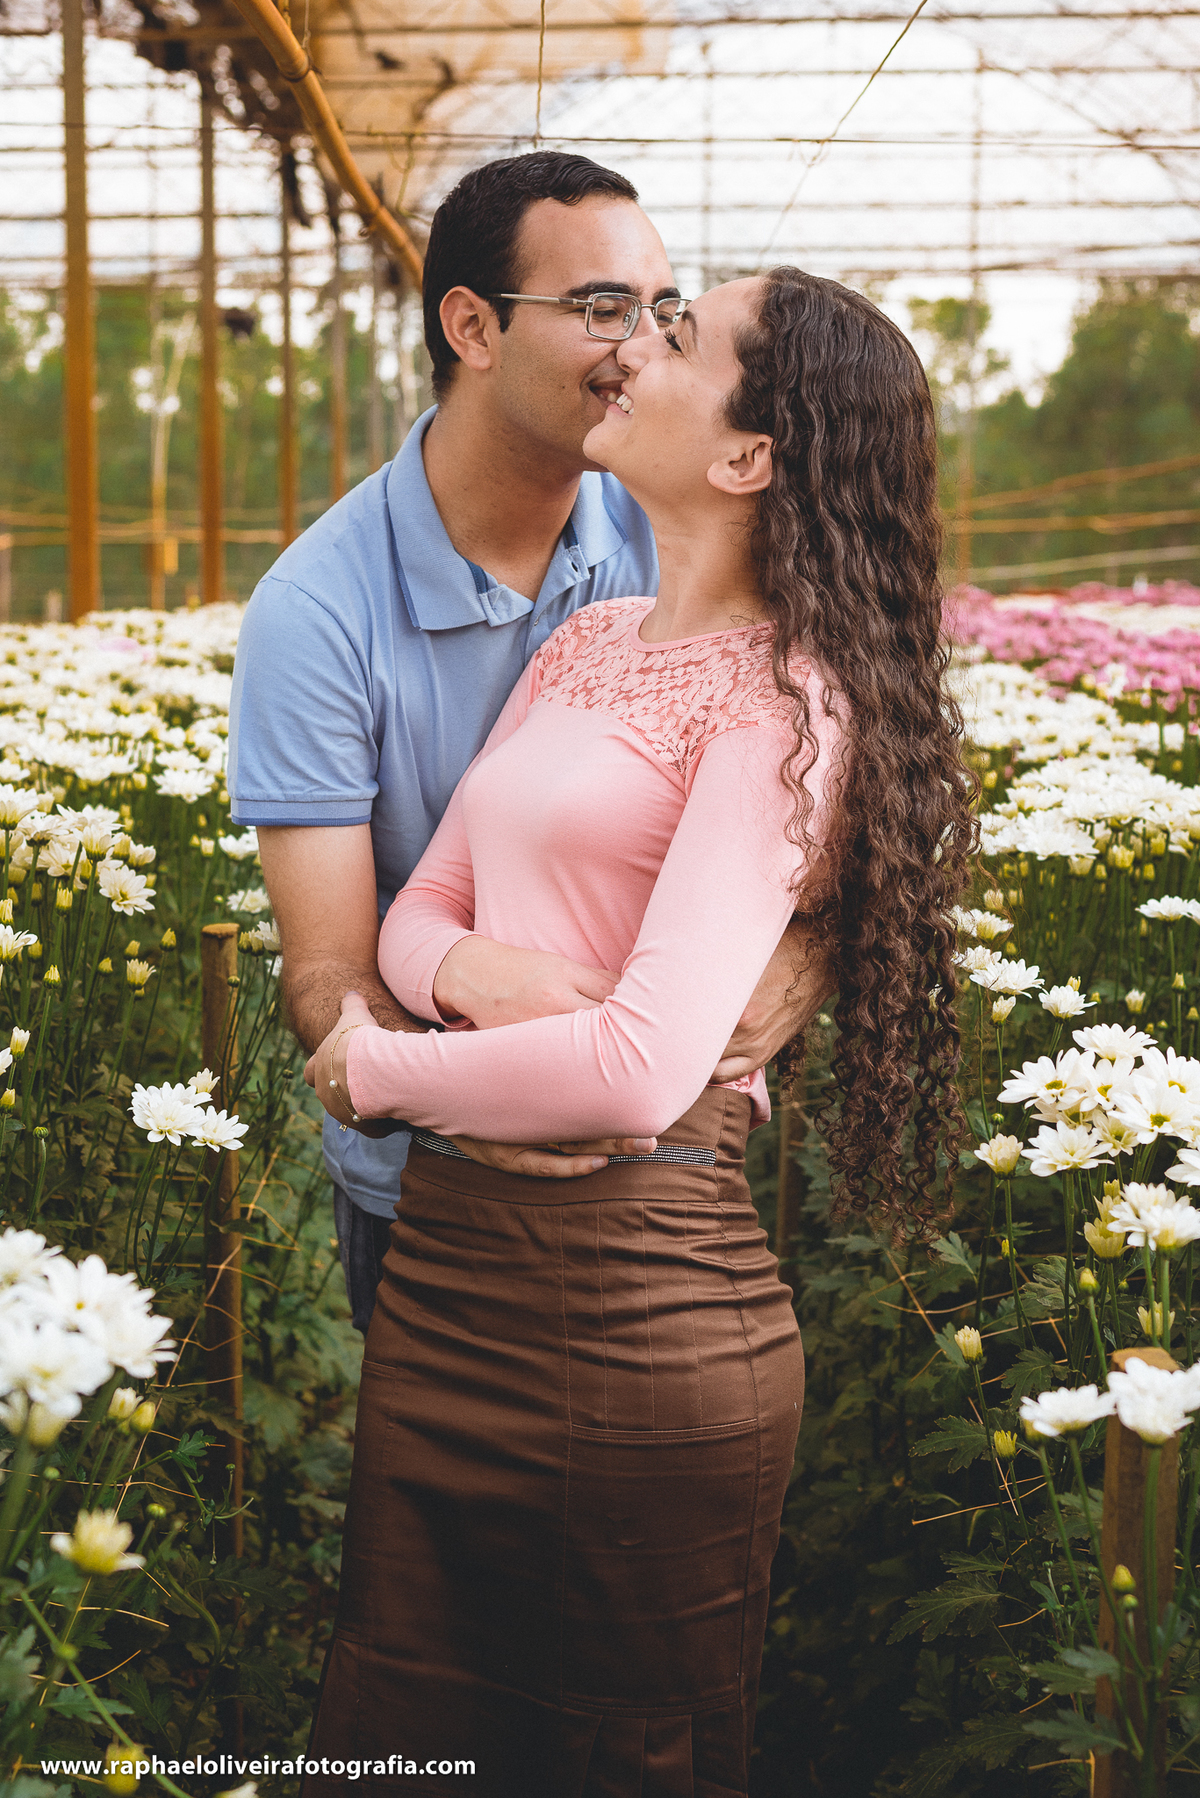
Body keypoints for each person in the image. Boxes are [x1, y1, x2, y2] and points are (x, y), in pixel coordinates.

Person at [300, 270, 975, 1797]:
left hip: (632, 1304)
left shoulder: (789, 706)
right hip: (448, 1279)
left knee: (606, 1748)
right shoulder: (585, 640)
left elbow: (641, 1072)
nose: (631, 348)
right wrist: (485, 971)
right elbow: (419, 910)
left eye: (678, 336)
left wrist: (379, 1067)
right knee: (404, 1726)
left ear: (748, 455)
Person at [228, 151, 825, 1336]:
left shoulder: (681, 528)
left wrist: (811, 951)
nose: (640, 347)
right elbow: (326, 969)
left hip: (658, 1168)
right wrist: (469, 1101)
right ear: (473, 328)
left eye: (663, 311)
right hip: (431, 1188)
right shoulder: (315, 614)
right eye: (603, 307)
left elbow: (844, 772)